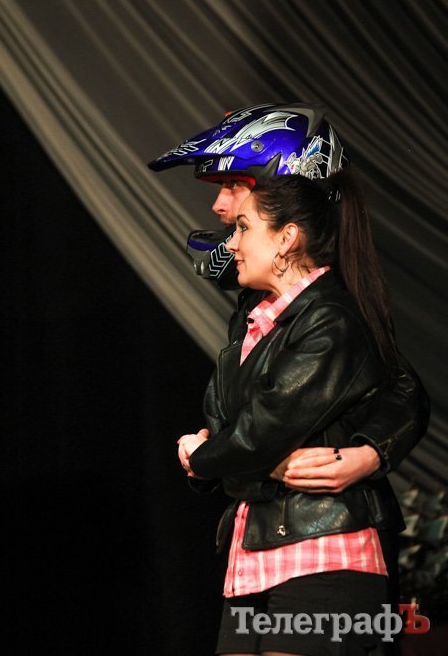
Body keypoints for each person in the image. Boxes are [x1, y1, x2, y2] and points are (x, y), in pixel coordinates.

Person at [148, 105, 429, 576]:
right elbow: (243, 433)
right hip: (260, 544)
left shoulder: (329, 305)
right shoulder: (258, 306)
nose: (218, 206)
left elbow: (401, 384)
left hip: (320, 550)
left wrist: (368, 454)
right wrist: (232, 458)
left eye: (232, 185)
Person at [177, 170, 418, 654]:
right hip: (254, 548)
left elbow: (262, 432)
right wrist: (220, 455)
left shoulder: (329, 317)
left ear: (287, 238)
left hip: (320, 547)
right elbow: (235, 428)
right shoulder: (257, 321)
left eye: (243, 225)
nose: (231, 240)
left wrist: (204, 458)